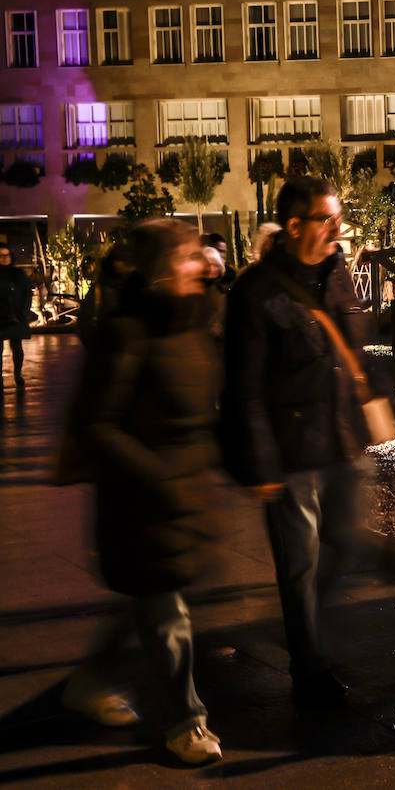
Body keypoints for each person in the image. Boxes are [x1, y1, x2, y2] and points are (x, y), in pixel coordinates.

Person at [61, 219, 226, 766]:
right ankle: (186, 724)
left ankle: (90, 679)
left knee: (150, 606)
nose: (202, 263)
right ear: (160, 273)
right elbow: (98, 424)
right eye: (187, 257)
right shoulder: (126, 333)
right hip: (139, 502)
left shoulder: (195, 322)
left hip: (186, 496)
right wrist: (156, 477)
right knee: (166, 612)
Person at [221, 176, 377, 706]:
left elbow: (351, 348)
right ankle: (309, 669)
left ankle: (304, 623)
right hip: (290, 452)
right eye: (328, 219)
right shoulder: (255, 292)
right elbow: (243, 387)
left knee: (348, 541)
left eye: (339, 215)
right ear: (294, 225)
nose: (340, 227)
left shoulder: (339, 272)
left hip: (339, 440)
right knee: (300, 563)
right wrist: (263, 464)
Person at [0, 243, 34, 389]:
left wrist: (24, 312)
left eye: (6, 255)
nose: (4, 258)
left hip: (16, 316)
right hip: (0, 316)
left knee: (17, 346)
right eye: (1, 256)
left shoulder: (18, 274)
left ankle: (17, 374)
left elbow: (27, 293)